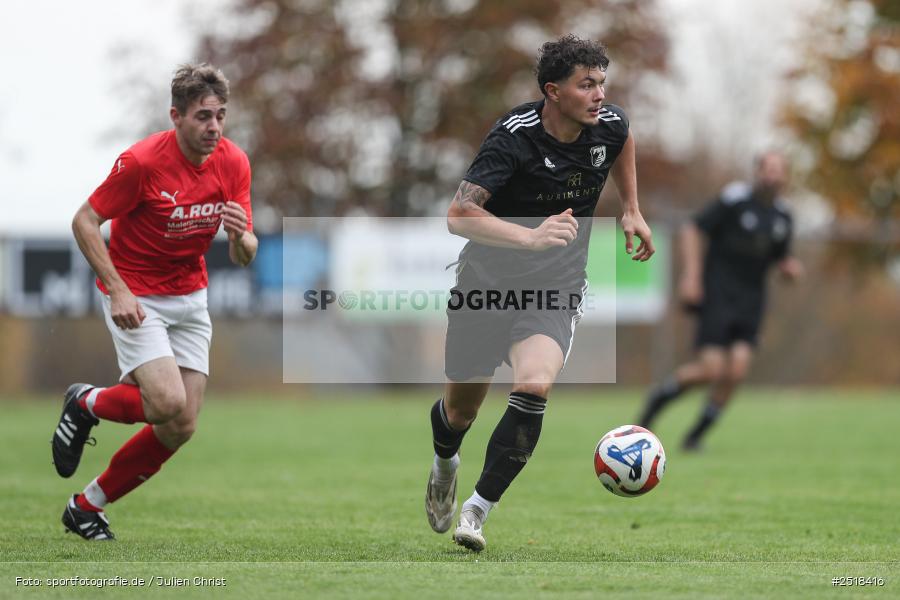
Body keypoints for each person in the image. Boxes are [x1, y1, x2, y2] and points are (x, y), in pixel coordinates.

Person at [424, 34, 654, 552]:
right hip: (485, 288)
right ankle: (444, 465)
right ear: (553, 91)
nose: (599, 95)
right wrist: (529, 236)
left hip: (555, 289)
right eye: (586, 84)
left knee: (533, 387)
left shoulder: (608, 125)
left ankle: (477, 512)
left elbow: (624, 139)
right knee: (460, 413)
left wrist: (632, 207)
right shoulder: (513, 137)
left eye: (601, 82)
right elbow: (459, 215)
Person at [51, 63, 257, 540]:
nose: (215, 127)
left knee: (180, 424)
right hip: (137, 293)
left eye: (221, 116)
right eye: (204, 116)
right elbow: (84, 221)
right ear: (176, 116)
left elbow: (245, 254)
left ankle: (86, 506)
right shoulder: (142, 162)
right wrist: (118, 288)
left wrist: (242, 237)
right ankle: (86, 402)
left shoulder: (234, 162)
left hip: (191, 294)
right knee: (165, 400)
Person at [637, 151, 802, 450]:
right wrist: (692, 276)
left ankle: (695, 437)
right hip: (718, 294)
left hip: (752, 302)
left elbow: (781, 256)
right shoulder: (735, 200)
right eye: (769, 169)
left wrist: (789, 268)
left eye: (779, 170)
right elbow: (692, 228)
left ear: (785, 176)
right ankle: (657, 400)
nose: (773, 176)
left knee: (737, 371)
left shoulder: (783, 216)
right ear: (758, 172)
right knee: (711, 370)